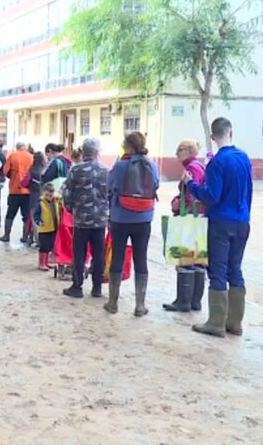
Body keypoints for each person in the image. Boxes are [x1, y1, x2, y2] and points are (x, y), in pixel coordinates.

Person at [184, 117, 252, 338]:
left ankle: (216, 322)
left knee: (218, 270)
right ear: (231, 132)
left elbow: (212, 196)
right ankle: (235, 323)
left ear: (213, 137)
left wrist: (190, 184)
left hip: (221, 222)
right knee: (236, 268)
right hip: (242, 221)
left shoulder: (217, 163)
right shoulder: (244, 158)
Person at [104, 132, 160, 316]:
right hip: (144, 218)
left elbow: (110, 186)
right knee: (141, 258)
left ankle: (113, 303)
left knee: (118, 255)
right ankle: (140, 305)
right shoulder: (152, 164)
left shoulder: (120, 165)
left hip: (121, 217)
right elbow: (156, 185)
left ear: (128, 146)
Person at [163, 139, 207, 313]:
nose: (176, 153)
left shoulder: (192, 169)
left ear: (189, 151)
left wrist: (177, 202)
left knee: (185, 260)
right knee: (197, 260)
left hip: (189, 217)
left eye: (180, 149)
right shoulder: (199, 166)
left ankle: (184, 301)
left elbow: (190, 195)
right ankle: (194, 301)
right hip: (198, 217)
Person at [62, 138, 109, 299]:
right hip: (100, 220)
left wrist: (70, 209)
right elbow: (111, 194)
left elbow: (66, 193)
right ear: (97, 153)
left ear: (83, 152)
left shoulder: (76, 170)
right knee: (99, 253)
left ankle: (77, 286)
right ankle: (97, 288)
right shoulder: (106, 170)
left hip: (81, 219)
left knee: (79, 253)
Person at [0, 142, 34, 243]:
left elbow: (5, 171)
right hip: (27, 191)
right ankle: (25, 237)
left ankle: (6, 235)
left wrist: (13, 176)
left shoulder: (12, 156)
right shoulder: (31, 157)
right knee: (26, 215)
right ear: (25, 147)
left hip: (14, 190)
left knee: (10, 213)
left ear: (17, 147)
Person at [35, 183, 62, 271]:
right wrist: (39, 221)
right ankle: (41, 263)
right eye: (47, 194)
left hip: (53, 227)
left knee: (50, 246)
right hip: (44, 229)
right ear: (43, 193)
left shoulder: (56, 201)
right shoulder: (41, 203)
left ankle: (46, 262)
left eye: (51, 194)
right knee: (44, 246)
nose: (49, 196)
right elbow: (36, 215)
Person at [26, 151, 47, 246]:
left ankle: (38, 240)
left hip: (34, 196)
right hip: (45, 196)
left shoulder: (31, 170)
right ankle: (42, 239)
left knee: (34, 218)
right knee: (44, 217)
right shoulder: (46, 169)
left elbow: (24, 183)